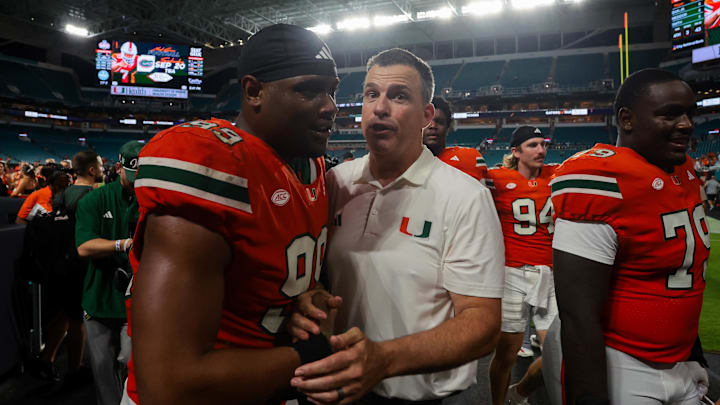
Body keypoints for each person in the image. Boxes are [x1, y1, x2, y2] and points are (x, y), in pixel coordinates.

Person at [121, 24, 339, 405]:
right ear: (253, 91)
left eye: (333, 91)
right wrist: (313, 356)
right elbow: (169, 386)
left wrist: (307, 301)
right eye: (309, 90)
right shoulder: (215, 162)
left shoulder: (315, 169)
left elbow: (270, 280)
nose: (331, 106)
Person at [289, 48, 505, 404]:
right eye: (371, 94)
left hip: (432, 396)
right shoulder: (335, 183)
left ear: (426, 115)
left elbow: (482, 324)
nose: (380, 107)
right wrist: (310, 303)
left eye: (398, 96)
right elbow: (324, 279)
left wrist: (385, 359)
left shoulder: (464, 196)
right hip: (347, 388)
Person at [550, 69, 710, 404]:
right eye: (670, 114)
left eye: (689, 114)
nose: (686, 124)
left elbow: (686, 279)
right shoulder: (599, 177)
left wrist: (696, 355)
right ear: (627, 119)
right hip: (624, 362)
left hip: (683, 359)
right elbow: (578, 315)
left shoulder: (686, 170)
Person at [484, 126, 558, 405]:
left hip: (550, 275)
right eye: (532, 145)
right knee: (506, 354)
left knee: (557, 353)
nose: (541, 150)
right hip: (511, 274)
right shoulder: (496, 179)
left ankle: (521, 391)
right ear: (515, 152)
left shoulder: (559, 174)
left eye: (543, 144)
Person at [75, 141, 142, 405]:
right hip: (100, 298)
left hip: (135, 302)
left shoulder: (150, 199)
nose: (137, 183)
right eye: (133, 176)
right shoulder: (94, 199)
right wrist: (122, 244)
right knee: (103, 372)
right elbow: (83, 247)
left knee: (131, 367)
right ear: (119, 168)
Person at [36, 150, 104, 387]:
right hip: (79, 265)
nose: (104, 171)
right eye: (101, 167)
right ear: (92, 170)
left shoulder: (62, 195)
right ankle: (75, 369)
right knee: (77, 321)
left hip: (57, 264)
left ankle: (46, 359)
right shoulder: (94, 196)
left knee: (63, 315)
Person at [423, 96, 487, 182]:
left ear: (448, 127)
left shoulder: (470, 159)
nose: (433, 126)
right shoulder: (404, 163)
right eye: (427, 122)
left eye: (440, 122)